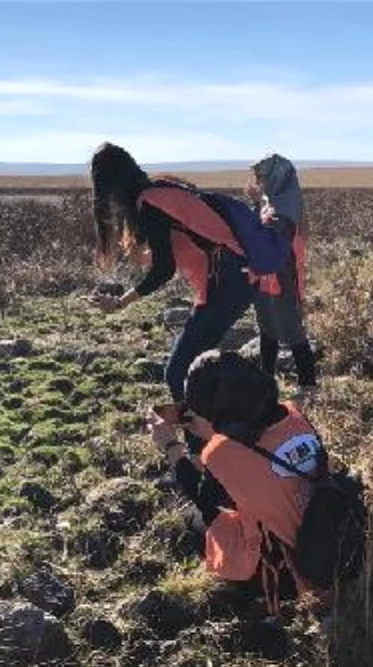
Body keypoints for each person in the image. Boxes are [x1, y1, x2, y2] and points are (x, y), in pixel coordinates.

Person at [147, 349, 328, 616]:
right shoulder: (294, 414)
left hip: (291, 573)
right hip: (327, 536)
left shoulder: (221, 454)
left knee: (193, 516)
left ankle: (247, 591)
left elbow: (207, 504)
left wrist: (172, 446)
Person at [89, 142, 255, 404]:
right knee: (200, 368)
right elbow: (187, 243)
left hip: (227, 282)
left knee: (178, 373)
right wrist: (139, 255)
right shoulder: (163, 189)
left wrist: (121, 303)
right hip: (236, 278)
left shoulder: (151, 203)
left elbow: (164, 270)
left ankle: (201, 439)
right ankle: (220, 429)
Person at [245, 153, 318, 391]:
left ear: (277, 177)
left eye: (261, 177)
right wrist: (258, 203)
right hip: (267, 276)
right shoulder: (275, 199)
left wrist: (257, 204)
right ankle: (266, 380)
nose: (259, 182)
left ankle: (308, 386)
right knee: (267, 329)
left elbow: (272, 233)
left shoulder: (286, 203)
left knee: (293, 330)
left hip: (283, 277)